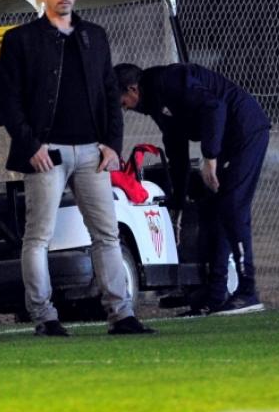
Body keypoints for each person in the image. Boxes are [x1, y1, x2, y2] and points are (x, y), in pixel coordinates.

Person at [0, 0, 154, 337]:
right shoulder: (20, 40)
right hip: (46, 153)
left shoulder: (94, 36)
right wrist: (30, 144)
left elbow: (108, 93)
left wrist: (112, 146)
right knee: (39, 237)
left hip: (92, 153)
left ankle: (121, 313)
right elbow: (8, 99)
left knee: (106, 234)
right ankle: (45, 317)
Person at [115, 62, 270, 315]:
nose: (124, 107)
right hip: (225, 142)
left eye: (122, 100)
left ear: (132, 89)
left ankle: (248, 290)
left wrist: (210, 157)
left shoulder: (170, 81)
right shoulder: (156, 102)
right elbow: (176, 148)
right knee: (213, 210)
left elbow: (215, 107)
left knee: (232, 207)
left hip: (245, 132)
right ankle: (215, 295)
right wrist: (177, 200)